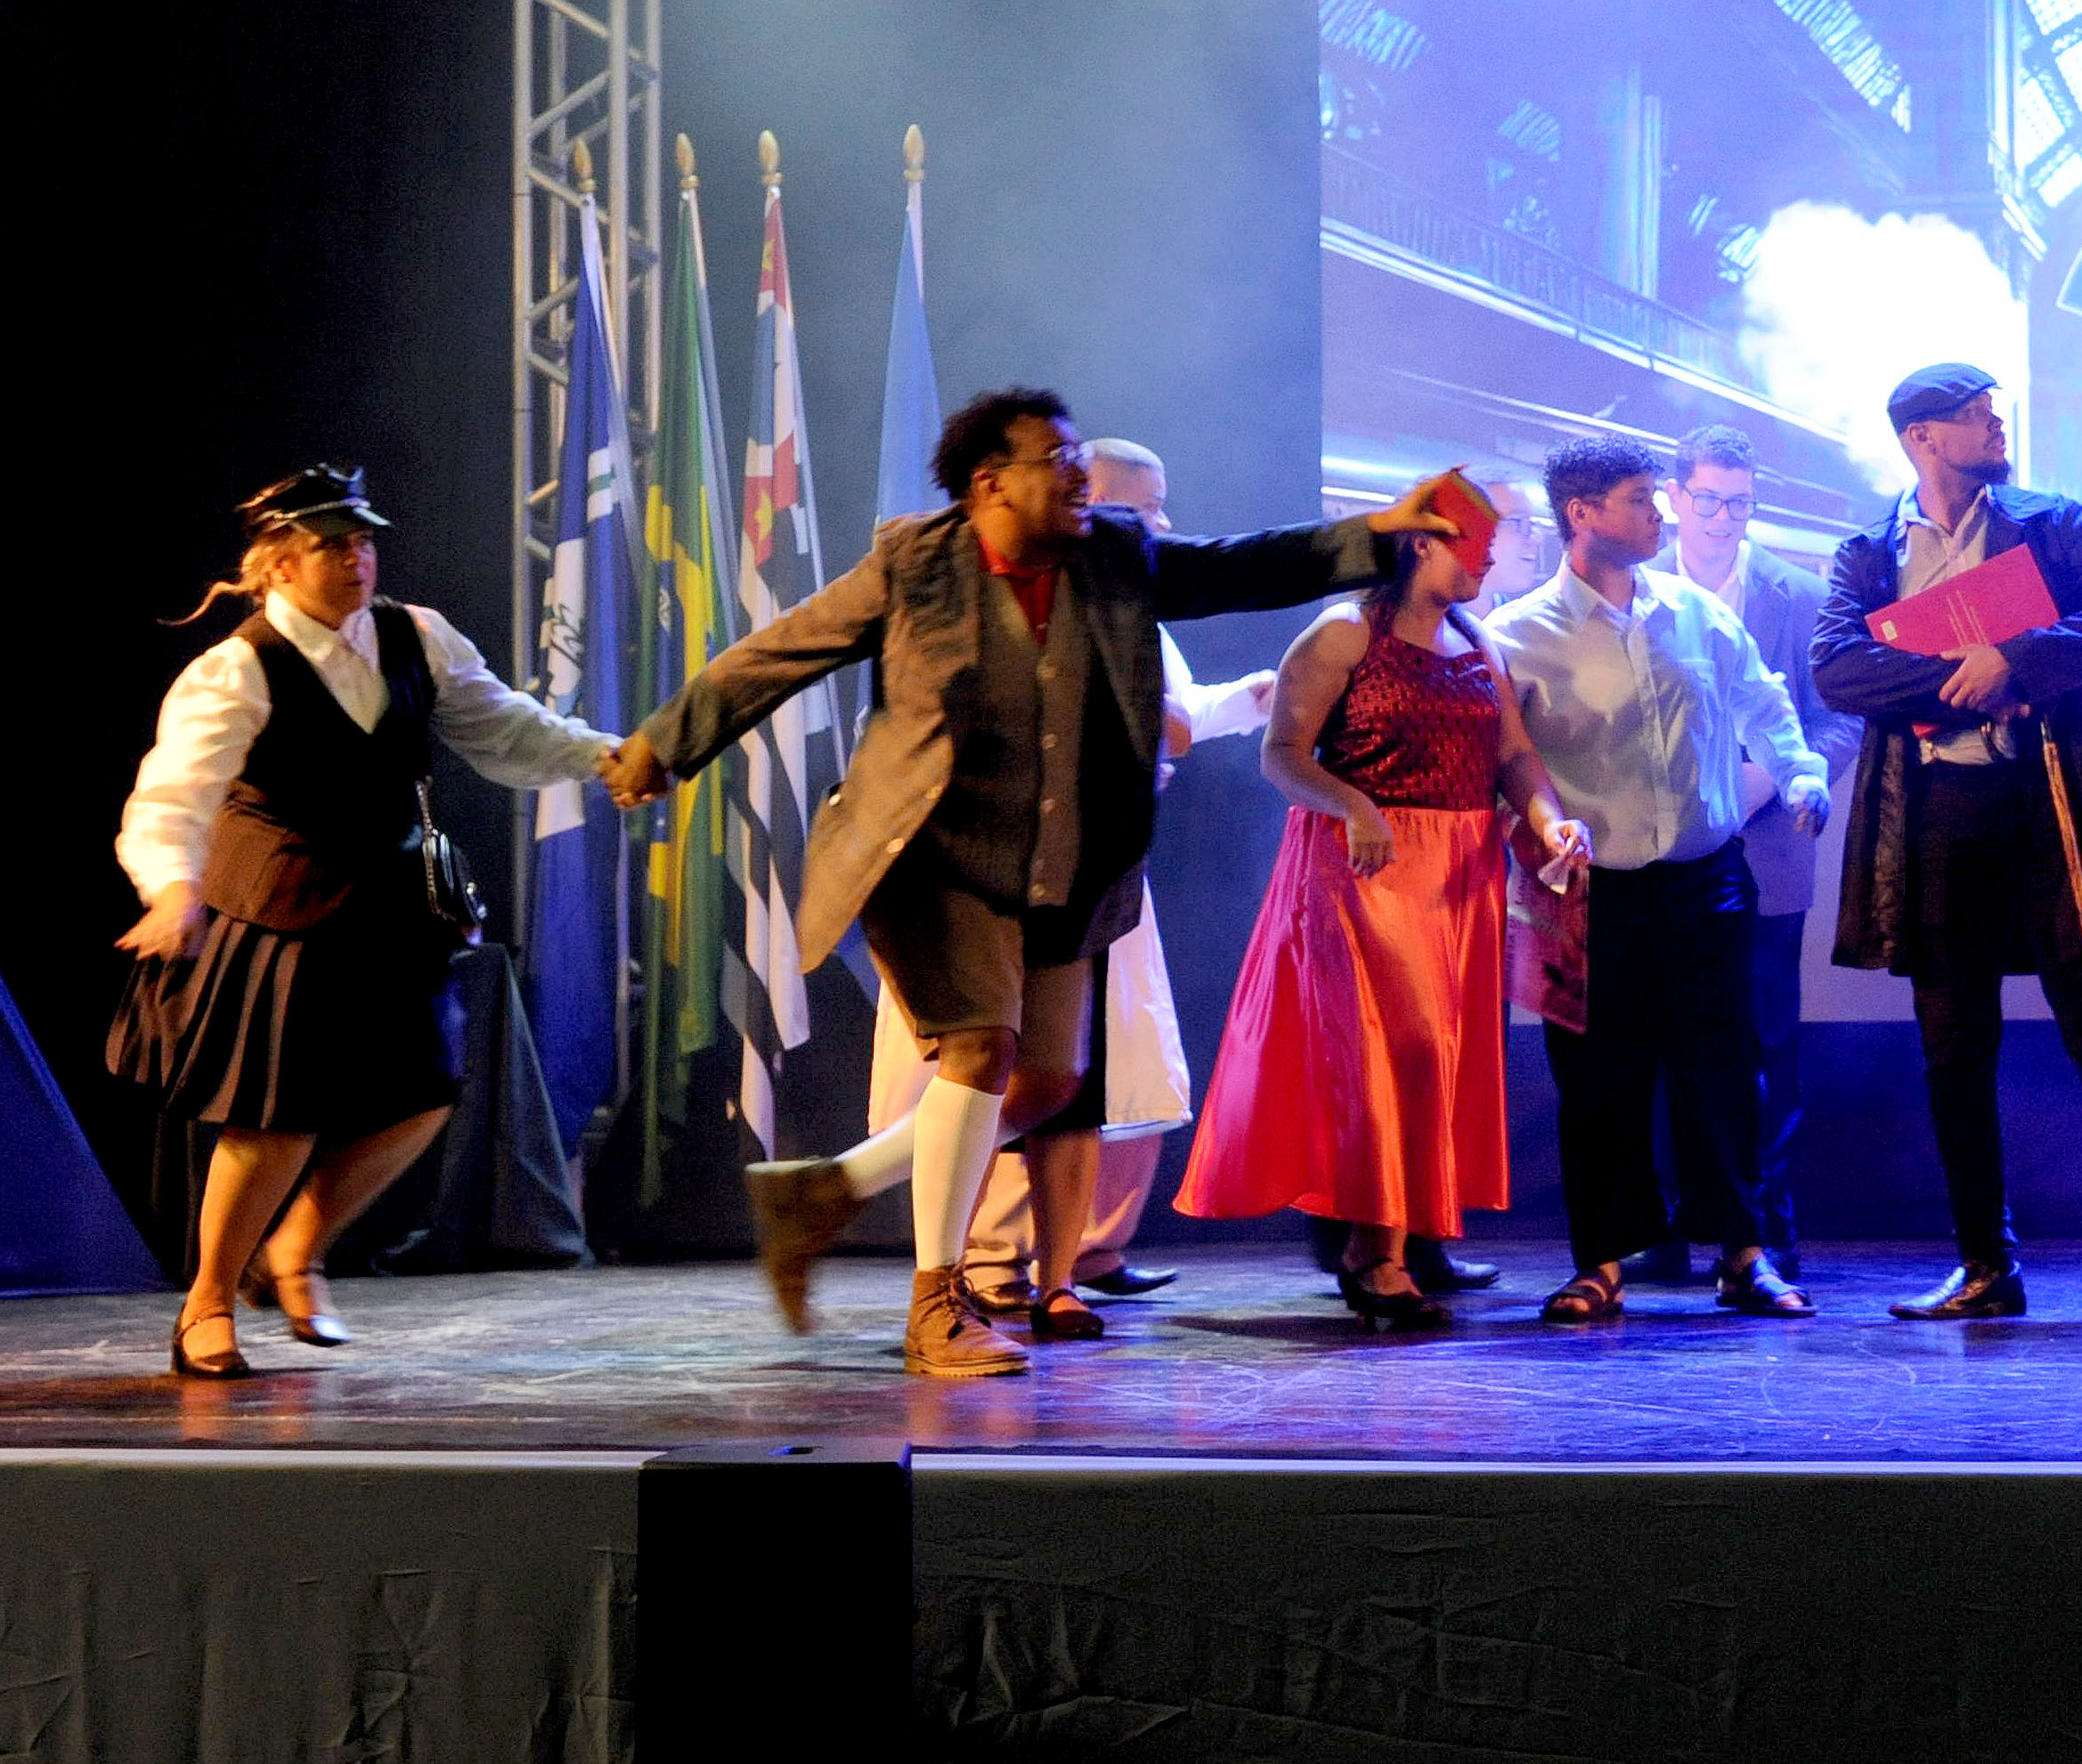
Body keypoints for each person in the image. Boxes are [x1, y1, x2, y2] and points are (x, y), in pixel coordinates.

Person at [606, 389, 1461, 1376]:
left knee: (1049, 1082)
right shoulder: (915, 565)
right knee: (981, 1045)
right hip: (931, 857)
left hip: (1064, 862)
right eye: (1054, 458)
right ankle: (937, 1306)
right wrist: (662, 745)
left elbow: (1240, 565)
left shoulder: (1114, 554)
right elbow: (780, 652)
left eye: (1075, 454)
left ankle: (826, 1190)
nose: (1076, 473)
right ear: (990, 484)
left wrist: (1377, 534)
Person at [111, 467, 620, 1378]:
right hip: (283, 907)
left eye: (364, 542)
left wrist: (605, 757)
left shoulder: (414, 635)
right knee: (278, 1118)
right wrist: (170, 889)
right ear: (279, 563)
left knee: (423, 1095)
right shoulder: (237, 668)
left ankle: (297, 1250)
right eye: (332, 547)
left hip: (388, 906)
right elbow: (176, 793)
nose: (357, 560)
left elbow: (504, 728)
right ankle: (207, 1303)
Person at [859, 438, 1278, 1314]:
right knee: (996, 1064)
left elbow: (1169, 716)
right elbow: (1153, 724)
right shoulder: (990, 601)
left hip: (1093, 868)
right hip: (989, 873)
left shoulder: (1125, 600)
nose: (1162, 523)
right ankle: (984, 1255)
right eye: (1147, 506)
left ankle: (1077, 1252)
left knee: (1088, 1069)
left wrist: (1246, 700)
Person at [1814, 365, 2082, 1325]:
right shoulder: (1868, 552)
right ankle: (1985, 1265)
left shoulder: (2051, 523)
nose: (1996, 427)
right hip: (1936, 813)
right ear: (1923, 438)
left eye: (1994, 413)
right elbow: (1836, 670)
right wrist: (1963, 679)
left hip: (2049, 800)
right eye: (1976, 417)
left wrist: (2015, 659)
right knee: (1953, 1048)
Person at [1179, 516, 1590, 1325]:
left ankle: (1410, 1236)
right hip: (1367, 868)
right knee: (1392, 1054)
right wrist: (1355, 806)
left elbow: (1512, 755)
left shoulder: (1476, 639)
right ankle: (1374, 1254)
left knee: (1437, 1059)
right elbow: (1282, 754)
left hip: (1459, 872)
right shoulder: (1343, 633)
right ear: (1423, 543)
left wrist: (1549, 820)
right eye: (1475, 540)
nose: (1489, 556)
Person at [1484, 435, 1828, 1323]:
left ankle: (1742, 1254)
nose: (1659, 514)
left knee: (1725, 1071)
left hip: (1706, 877)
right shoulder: (1518, 635)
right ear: (1581, 514)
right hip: (1592, 890)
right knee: (1599, 1079)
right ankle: (1600, 1262)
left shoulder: (1692, 612)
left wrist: (1799, 773)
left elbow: (1761, 698)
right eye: (1640, 500)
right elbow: (1503, 761)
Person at [1668, 423, 1858, 1277]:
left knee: (1768, 1040)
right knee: (1667, 1040)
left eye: (1738, 504)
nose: (1721, 518)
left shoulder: (1800, 594)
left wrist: (1776, 780)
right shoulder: (1634, 588)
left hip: (1770, 847)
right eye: (1708, 500)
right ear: (1676, 497)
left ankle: (1768, 1227)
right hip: (1658, 851)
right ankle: (1677, 1222)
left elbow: (1842, 719)